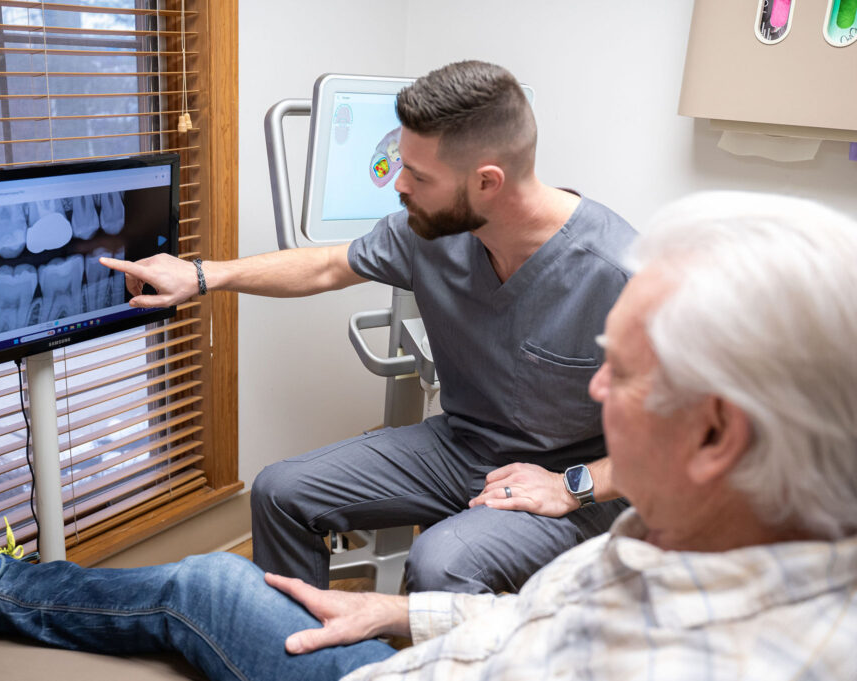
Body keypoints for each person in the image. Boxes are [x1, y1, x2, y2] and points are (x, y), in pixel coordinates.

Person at [0, 191, 857, 681]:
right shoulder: (706, 540)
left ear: (716, 433)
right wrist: (399, 622)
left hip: (501, 522)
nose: (598, 383)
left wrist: (574, 482)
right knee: (279, 494)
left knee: (209, 585)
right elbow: (550, 628)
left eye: (623, 373)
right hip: (436, 562)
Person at [102, 60, 637, 594]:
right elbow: (328, 266)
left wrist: (573, 486)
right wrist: (201, 275)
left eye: (419, 176)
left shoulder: (620, 273)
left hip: (572, 482)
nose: (398, 185)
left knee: (441, 562)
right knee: (280, 490)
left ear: (487, 182)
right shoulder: (429, 232)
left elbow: (700, 439)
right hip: (462, 447)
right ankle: (298, 657)